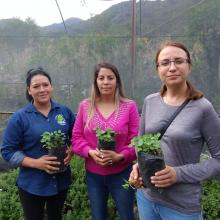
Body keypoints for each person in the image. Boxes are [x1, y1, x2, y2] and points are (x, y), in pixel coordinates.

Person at [129, 41, 220, 220]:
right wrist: (137, 168)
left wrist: (177, 174)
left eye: (179, 61)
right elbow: (141, 143)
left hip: (181, 206)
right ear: (158, 69)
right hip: (146, 197)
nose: (172, 68)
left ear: (189, 66)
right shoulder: (150, 101)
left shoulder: (203, 108)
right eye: (165, 63)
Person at [1, 67, 75, 220]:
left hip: (60, 181)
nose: (42, 89)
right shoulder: (20, 117)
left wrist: (72, 150)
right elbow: (8, 151)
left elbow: (77, 137)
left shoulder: (64, 112)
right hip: (32, 184)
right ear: (29, 90)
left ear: (51, 86)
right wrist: (36, 163)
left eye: (45, 85)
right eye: (36, 86)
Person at [72, 62, 139, 220]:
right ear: (96, 81)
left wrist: (120, 156)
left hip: (122, 173)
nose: (106, 82)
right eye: (101, 78)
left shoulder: (129, 106)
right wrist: (89, 152)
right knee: (98, 216)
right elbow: (76, 138)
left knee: (126, 215)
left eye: (110, 77)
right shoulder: (85, 106)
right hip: (93, 175)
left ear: (117, 81)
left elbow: (136, 140)